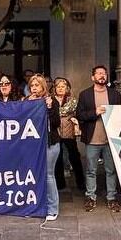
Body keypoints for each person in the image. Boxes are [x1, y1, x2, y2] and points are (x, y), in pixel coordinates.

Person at [77, 65, 121, 213]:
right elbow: (80, 115)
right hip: (92, 139)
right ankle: (91, 197)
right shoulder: (85, 95)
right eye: (99, 73)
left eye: (104, 73)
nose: (102, 75)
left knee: (111, 170)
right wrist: (95, 112)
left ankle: (111, 198)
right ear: (93, 77)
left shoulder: (115, 94)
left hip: (110, 140)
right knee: (91, 170)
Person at [23, 74, 60, 220]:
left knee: (48, 175)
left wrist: (50, 107)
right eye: (32, 86)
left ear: (43, 86)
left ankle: (52, 209)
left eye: (37, 85)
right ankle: (34, 207)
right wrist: (26, 106)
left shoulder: (52, 101)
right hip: (32, 145)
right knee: (33, 176)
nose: (34, 88)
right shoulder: (27, 101)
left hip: (49, 143)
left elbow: (56, 122)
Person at [52, 77, 86, 194]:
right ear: (55, 89)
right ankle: (60, 183)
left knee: (74, 156)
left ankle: (81, 182)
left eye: (63, 87)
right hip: (55, 131)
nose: (61, 89)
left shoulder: (72, 100)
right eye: (58, 87)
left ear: (67, 89)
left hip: (68, 131)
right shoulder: (51, 100)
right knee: (58, 158)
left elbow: (69, 111)